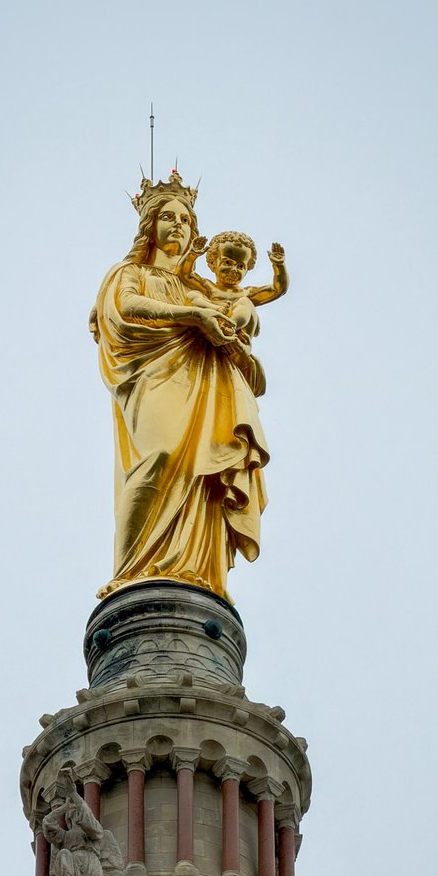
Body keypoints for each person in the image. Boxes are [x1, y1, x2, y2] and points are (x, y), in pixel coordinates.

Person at [90, 173, 270, 602]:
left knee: (203, 471)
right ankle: (131, 570)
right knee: (159, 456)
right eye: (167, 217)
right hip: (155, 376)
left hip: (205, 382)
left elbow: (233, 326)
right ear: (149, 226)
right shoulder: (131, 272)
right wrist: (191, 318)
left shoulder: (197, 288)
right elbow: (125, 306)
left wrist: (230, 331)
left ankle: (197, 570)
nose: (178, 226)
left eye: (185, 220)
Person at [177, 230, 288, 398]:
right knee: (193, 296)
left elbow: (277, 289)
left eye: (240, 266)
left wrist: (278, 265)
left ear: (247, 268)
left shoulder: (246, 292)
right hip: (212, 330)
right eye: (227, 262)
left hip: (236, 339)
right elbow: (184, 273)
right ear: (213, 263)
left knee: (244, 303)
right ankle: (218, 316)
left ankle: (229, 325)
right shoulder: (208, 288)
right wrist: (192, 254)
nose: (234, 269)